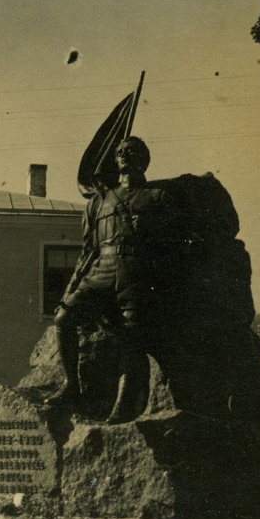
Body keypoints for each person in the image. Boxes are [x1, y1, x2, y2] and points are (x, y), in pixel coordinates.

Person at [47, 136, 182, 424]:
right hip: (103, 268)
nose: (124, 156)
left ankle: (122, 408)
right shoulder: (100, 202)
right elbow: (88, 250)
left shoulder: (158, 198)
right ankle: (72, 385)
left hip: (137, 272)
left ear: (143, 160)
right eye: (120, 152)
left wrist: (150, 232)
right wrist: (72, 286)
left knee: (131, 339)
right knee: (63, 319)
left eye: (131, 152)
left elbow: (174, 248)